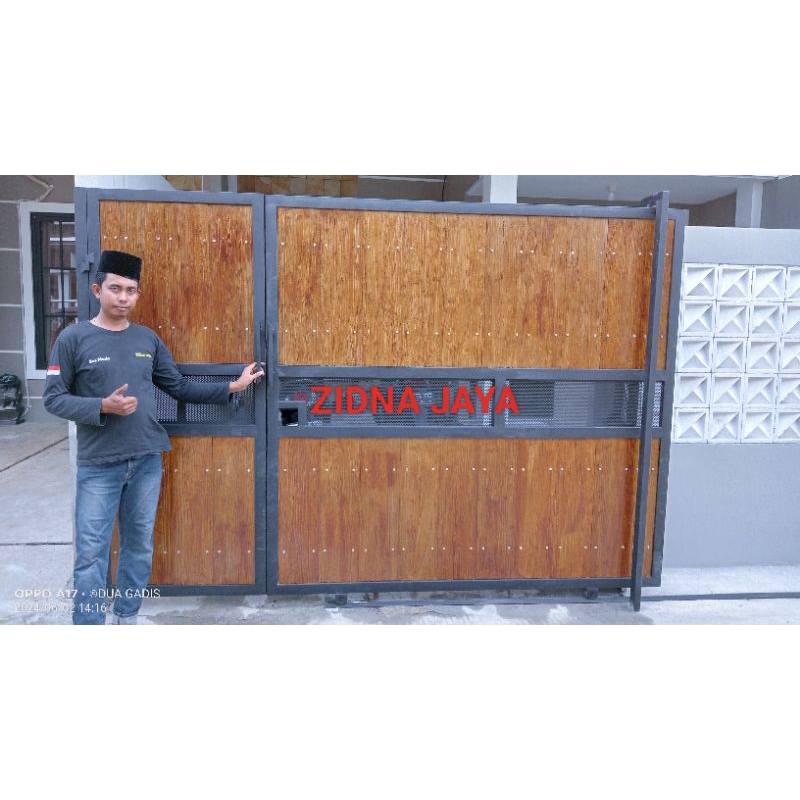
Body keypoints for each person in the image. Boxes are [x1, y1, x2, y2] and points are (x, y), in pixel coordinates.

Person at [43, 250, 264, 625]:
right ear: (97, 290)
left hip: (146, 460)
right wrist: (102, 406)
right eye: (115, 289)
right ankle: (88, 626)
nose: (123, 297)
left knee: (139, 546)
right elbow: (53, 398)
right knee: (91, 552)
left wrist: (232, 386)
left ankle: (126, 616)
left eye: (131, 290)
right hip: (99, 465)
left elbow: (178, 387)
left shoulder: (147, 339)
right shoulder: (73, 338)